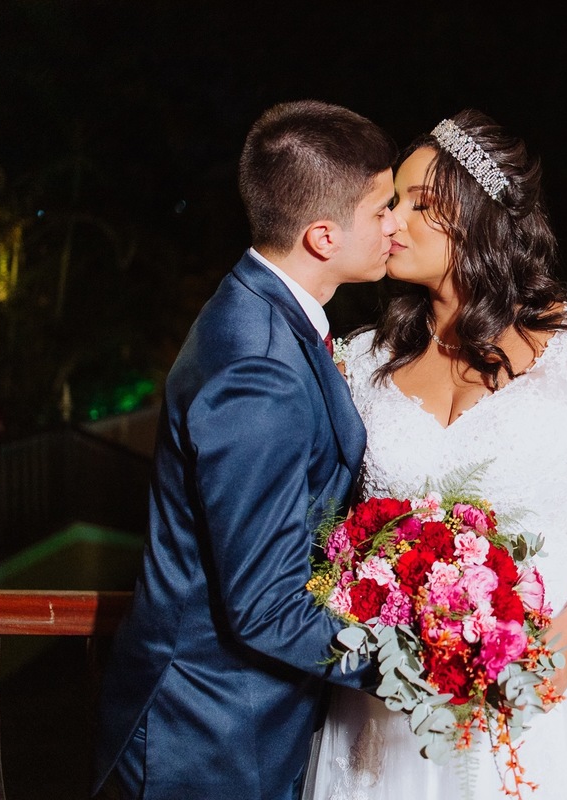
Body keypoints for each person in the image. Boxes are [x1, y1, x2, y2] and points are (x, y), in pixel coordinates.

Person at [305, 110, 567, 799]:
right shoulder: (358, 363)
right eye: (390, 205)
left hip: (565, 668)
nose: (393, 223)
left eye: (419, 204)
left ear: (477, 219)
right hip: (397, 693)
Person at [93, 100, 398, 800]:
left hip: (239, 720)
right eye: (382, 209)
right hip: (208, 736)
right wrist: (415, 667)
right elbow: (262, 604)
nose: (395, 226)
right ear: (323, 235)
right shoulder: (256, 365)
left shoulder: (263, 311)